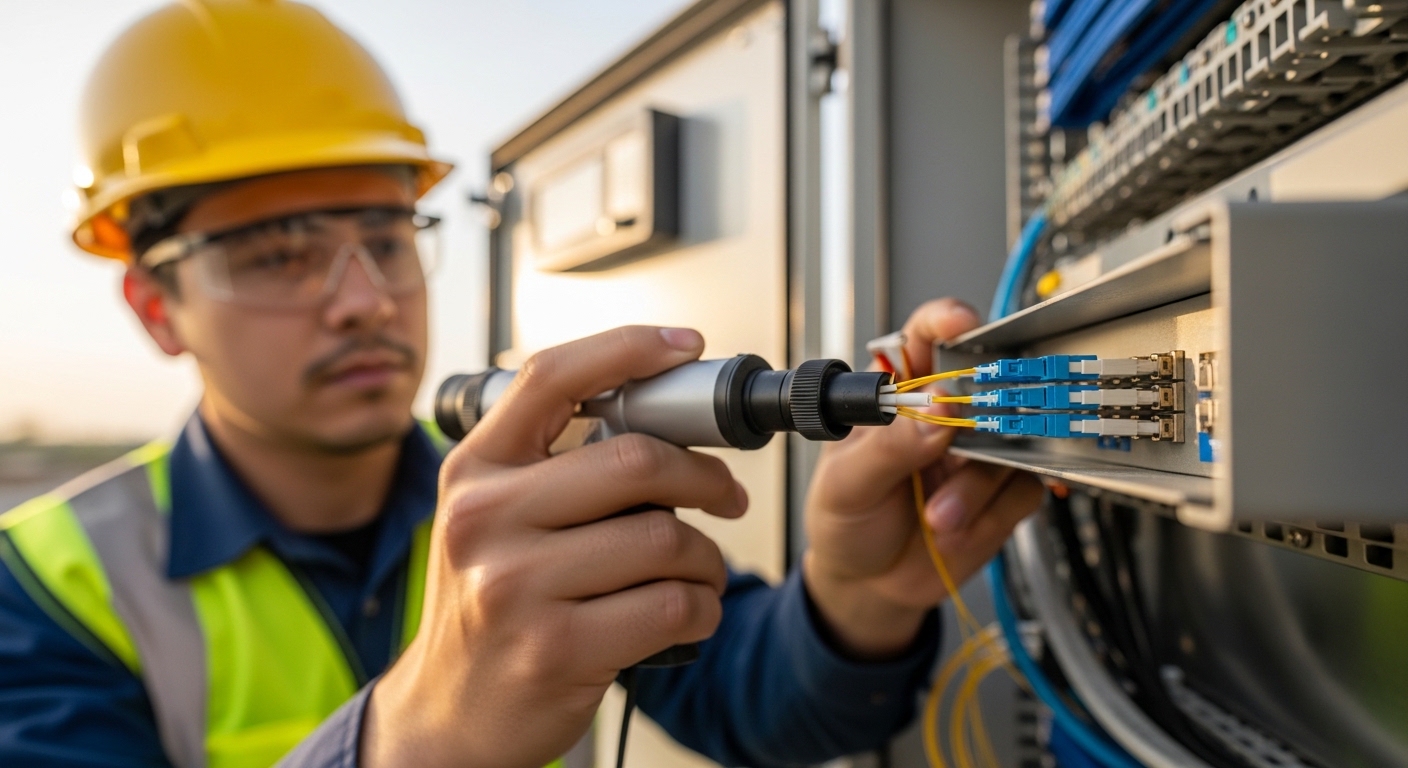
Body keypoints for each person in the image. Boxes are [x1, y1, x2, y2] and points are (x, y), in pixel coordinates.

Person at [0, 2, 1042, 767]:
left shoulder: (534, 486)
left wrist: (856, 596)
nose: (362, 301)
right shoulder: (46, 588)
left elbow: (753, 709)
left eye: (383, 239)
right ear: (154, 307)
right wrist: (410, 738)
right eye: (279, 254)